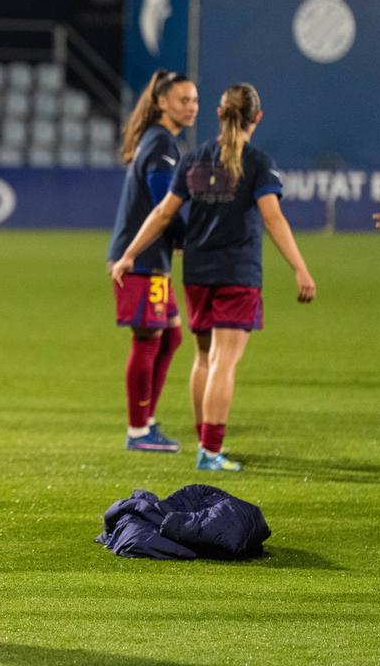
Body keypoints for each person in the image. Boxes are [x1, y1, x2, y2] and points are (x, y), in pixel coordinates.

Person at [111, 83, 316, 472]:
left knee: (204, 357)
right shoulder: (257, 163)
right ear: (257, 117)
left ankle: (204, 439)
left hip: (197, 274)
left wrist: (129, 254)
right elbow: (272, 218)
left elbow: (163, 214)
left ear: (219, 114)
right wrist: (300, 268)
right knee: (225, 362)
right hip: (238, 273)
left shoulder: (194, 160)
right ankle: (210, 450)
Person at [106, 70, 198, 453]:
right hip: (140, 260)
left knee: (171, 336)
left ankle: (146, 420)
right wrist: (189, 237)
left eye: (194, 100)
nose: (191, 107)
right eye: (183, 100)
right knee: (147, 340)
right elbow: (166, 208)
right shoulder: (161, 146)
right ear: (162, 103)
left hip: (151, 257)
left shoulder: (159, 141)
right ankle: (138, 431)